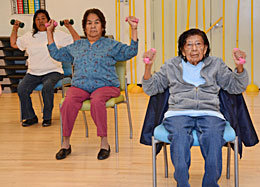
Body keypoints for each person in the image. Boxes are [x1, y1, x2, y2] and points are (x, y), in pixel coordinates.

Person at [142, 28, 248, 187]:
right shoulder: (171, 65)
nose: (194, 49)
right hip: (178, 112)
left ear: (205, 48)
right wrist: (148, 67)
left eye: (198, 44)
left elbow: (236, 87)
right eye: (189, 45)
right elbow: (151, 88)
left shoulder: (216, 64)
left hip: (210, 112)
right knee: (180, 137)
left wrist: (239, 67)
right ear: (182, 50)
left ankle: (210, 184)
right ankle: (182, 184)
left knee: (213, 137)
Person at [46, 8, 138, 160]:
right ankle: (65, 144)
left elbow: (131, 52)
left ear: (102, 26)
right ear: (84, 26)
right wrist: (49, 32)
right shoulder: (77, 45)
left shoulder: (110, 44)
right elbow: (56, 54)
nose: (93, 26)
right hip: (81, 86)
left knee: (97, 101)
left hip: (106, 86)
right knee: (68, 102)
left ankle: (104, 143)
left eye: (97, 22)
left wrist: (133, 29)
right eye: (89, 23)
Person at [10, 9, 73, 127]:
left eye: (43, 18)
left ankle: (47, 117)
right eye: (37, 19)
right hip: (33, 73)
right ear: (34, 22)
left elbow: (76, 41)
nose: (40, 21)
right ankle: (30, 117)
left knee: (47, 86)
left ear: (48, 20)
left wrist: (69, 27)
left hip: (53, 71)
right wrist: (15, 28)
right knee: (22, 88)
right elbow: (14, 43)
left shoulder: (57, 34)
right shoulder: (29, 36)